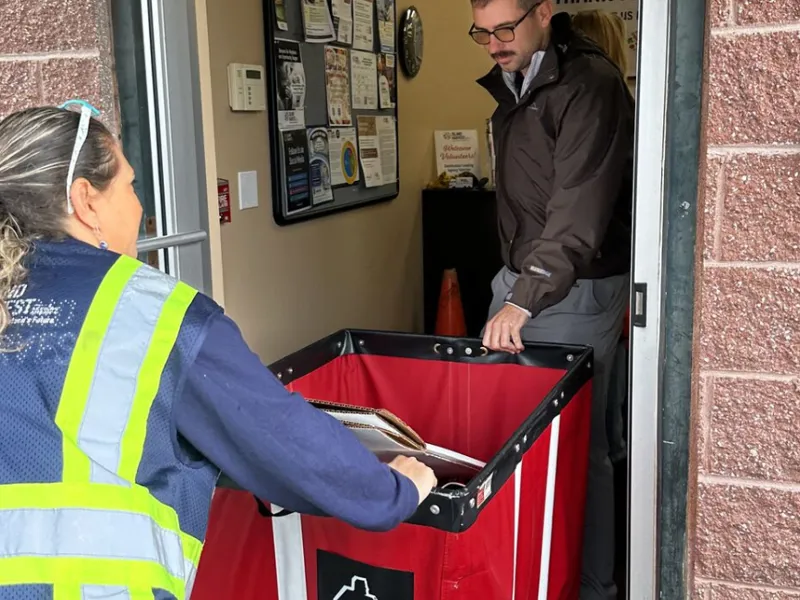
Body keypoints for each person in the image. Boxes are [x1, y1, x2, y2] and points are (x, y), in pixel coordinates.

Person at [0, 101, 436, 599]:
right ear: (86, 200)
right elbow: (280, 439)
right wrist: (393, 491)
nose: (140, 206)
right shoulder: (153, 315)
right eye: (129, 184)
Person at [469, 1, 634, 599]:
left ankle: (589, 587)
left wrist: (525, 298)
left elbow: (576, 211)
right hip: (525, 283)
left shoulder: (588, 84)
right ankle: (528, 569)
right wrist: (512, 288)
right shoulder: (519, 85)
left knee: (576, 451)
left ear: (544, 12)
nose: (493, 44)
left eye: (505, 29)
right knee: (523, 437)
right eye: (482, 33)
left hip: (568, 288)